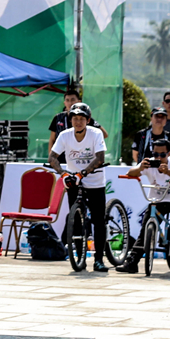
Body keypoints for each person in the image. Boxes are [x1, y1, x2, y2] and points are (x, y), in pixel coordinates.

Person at [115, 138, 170, 273]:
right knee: (144, 231)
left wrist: (168, 172)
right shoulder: (149, 163)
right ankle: (132, 263)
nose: (158, 157)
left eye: (162, 155)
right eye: (156, 154)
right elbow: (131, 173)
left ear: (168, 153)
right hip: (157, 200)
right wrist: (140, 168)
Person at [49, 102, 109, 272]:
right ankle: (79, 256)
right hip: (73, 179)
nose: (78, 122)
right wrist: (62, 173)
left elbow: (100, 158)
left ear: (88, 120)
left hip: (95, 180)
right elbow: (52, 157)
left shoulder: (95, 133)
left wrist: (84, 172)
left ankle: (99, 259)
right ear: (71, 120)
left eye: (82, 119)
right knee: (75, 218)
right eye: (75, 118)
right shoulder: (65, 135)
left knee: (98, 220)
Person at [48, 89, 108, 163]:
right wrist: (51, 158)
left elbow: (104, 134)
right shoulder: (58, 117)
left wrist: (84, 145)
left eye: (73, 100)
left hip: (82, 160)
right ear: (64, 103)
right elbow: (52, 139)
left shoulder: (86, 118)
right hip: (61, 160)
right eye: (67, 100)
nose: (70, 103)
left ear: (79, 102)